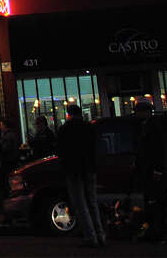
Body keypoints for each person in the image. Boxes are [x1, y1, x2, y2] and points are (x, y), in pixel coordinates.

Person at [58, 103, 105, 249]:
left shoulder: (65, 130)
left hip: (74, 170)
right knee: (92, 201)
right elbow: (96, 147)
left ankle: (90, 236)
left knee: (80, 203)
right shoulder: (89, 127)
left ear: (69, 114)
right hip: (89, 168)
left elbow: (62, 152)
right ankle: (100, 234)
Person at [134, 100, 167, 243]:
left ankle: (158, 233)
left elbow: (157, 150)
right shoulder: (148, 125)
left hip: (152, 171)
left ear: (145, 112)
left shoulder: (152, 127)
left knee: (155, 203)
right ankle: (156, 232)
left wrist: (157, 170)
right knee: (153, 203)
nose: (137, 114)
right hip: (150, 170)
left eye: (139, 111)